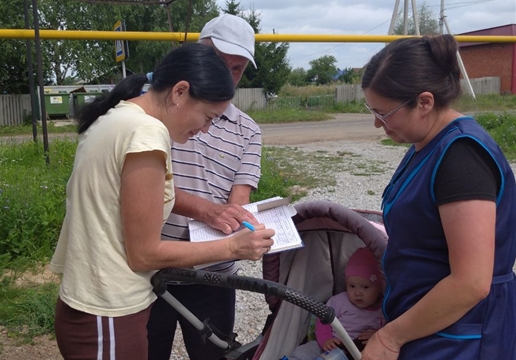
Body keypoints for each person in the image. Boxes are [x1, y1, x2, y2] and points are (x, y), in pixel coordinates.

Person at [50, 43, 275, 360]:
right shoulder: (147, 133)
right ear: (180, 92)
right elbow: (144, 254)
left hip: (94, 304)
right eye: (208, 116)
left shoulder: (118, 117)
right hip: (108, 310)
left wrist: (209, 211)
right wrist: (233, 248)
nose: (204, 129)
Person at [359, 34, 516, 360]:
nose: (377, 124)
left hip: (461, 337)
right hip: (429, 325)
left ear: (425, 102)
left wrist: (390, 338)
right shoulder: (425, 144)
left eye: (384, 113)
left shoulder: (461, 157)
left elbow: (471, 282)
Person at [147, 14, 263, 360]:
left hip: (214, 275)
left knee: (213, 355)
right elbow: (148, 190)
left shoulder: (248, 130)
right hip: (151, 270)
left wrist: (243, 226)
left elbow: (238, 200)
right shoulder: (155, 112)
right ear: (198, 53)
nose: (225, 76)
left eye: (237, 68)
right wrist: (209, 211)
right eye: (218, 61)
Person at [288, 247, 385, 360]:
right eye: (352, 286)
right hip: (330, 343)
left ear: (379, 288)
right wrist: (325, 340)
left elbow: (390, 331)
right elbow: (323, 321)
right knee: (303, 352)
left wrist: (377, 335)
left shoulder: (384, 310)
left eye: (365, 287)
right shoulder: (339, 301)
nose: (357, 292)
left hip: (355, 353)